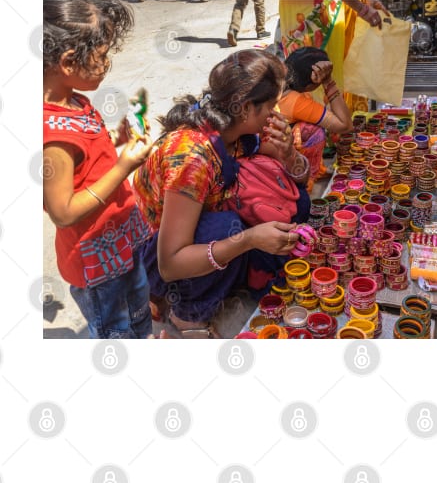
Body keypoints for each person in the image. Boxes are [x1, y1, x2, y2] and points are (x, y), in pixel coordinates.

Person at [133, 49, 310, 338]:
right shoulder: (191, 157)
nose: (275, 114)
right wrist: (250, 239)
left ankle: (227, 272)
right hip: (156, 258)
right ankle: (186, 313)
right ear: (245, 108)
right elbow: (170, 263)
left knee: (296, 202)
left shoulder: (234, 133)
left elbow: (298, 175)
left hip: (188, 232)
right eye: (271, 106)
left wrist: (289, 152)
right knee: (228, 228)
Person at [42, 0, 155, 339]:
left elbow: (88, 161)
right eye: (103, 55)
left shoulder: (75, 101)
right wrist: (124, 167)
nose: (107, 64)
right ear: (67, 61)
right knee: (114, 333)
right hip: (96, 266)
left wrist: (117, 139)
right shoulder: (53, 138)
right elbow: (62, 212)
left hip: (120, 244)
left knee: (138, 315)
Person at [278, 0, 390, 111]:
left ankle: (337, 121)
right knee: (311, 76)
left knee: (330, 74)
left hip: (333, 6)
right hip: (315, 9)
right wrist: (361, 7)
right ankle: (326, 123)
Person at [277, 47, 352, 190]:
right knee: (313, 130)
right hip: (273, 152)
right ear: (313, 79)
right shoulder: (295, 101)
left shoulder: (281, 86)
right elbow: (345, 125)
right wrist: (328, 81)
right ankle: (305, 179)